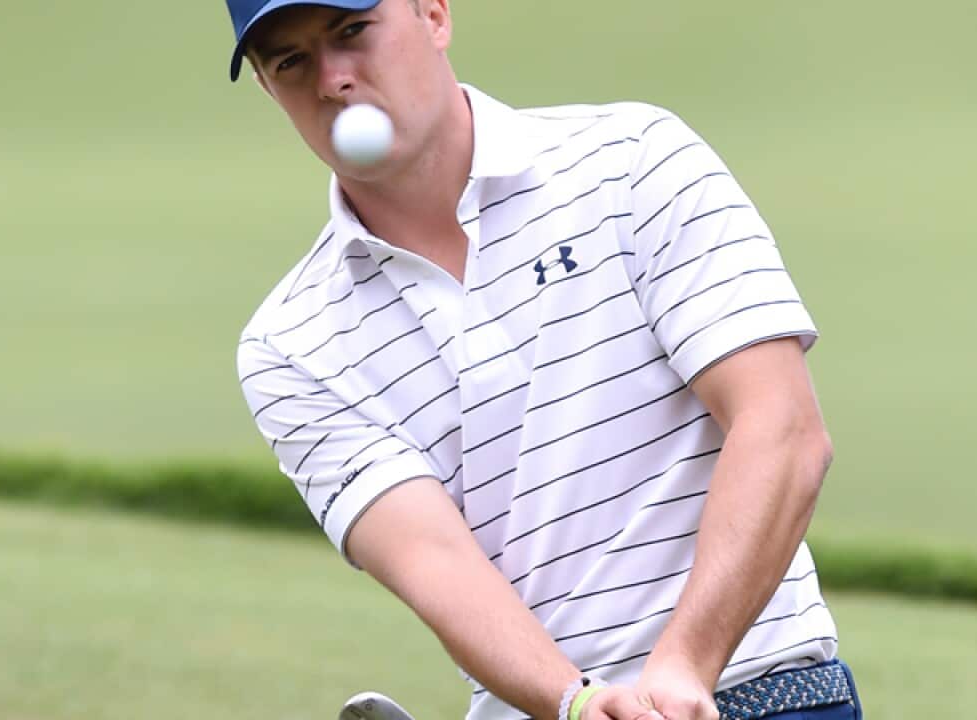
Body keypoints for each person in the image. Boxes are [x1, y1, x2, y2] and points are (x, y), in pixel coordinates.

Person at [227, 1, 863, 719]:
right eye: (291, 61)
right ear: (266, 86)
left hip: (763, 695)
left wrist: (684, 667)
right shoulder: (291, 341)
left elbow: (783, 428)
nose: (334, 79)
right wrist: (577, 702)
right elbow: (432, 562)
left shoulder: (635, 160)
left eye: (353, 32)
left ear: (434, 15)